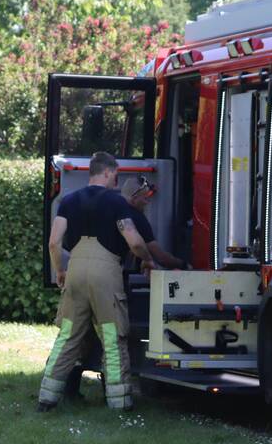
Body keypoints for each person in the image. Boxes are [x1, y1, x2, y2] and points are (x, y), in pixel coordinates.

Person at [39, 151, 156, 411]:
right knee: (113, 337)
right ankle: (119, 402)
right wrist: (147, 260)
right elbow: (135, 242)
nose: (116, 180)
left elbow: (54, 242)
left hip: (76, 270)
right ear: (106, 172)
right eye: (115, 175)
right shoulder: (117, 204)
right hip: (106, 273)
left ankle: (47, 398)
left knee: (68, 335)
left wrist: (60, 270)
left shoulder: (68, 201)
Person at [119, 176, 187, 270]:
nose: (147, 202)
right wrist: (184, 265)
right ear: (134, 199)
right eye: (145, 198)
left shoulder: (111, 208)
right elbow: (161, 258)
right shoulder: (137, 218)